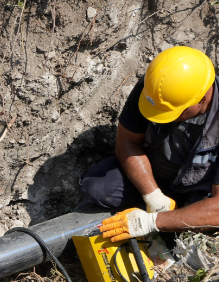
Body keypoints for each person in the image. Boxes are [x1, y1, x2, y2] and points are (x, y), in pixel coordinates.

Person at [78, 46, 219, 241]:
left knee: (199, 226)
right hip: (153, 175)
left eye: (171, 114)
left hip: (198, 192)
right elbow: (126, 141)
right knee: (96, 188)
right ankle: (153, 209)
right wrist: (153, 197)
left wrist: (151, 222)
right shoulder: (154, 90)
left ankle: (168, 222)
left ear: (201, 100)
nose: (163, 118)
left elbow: (218, 209)